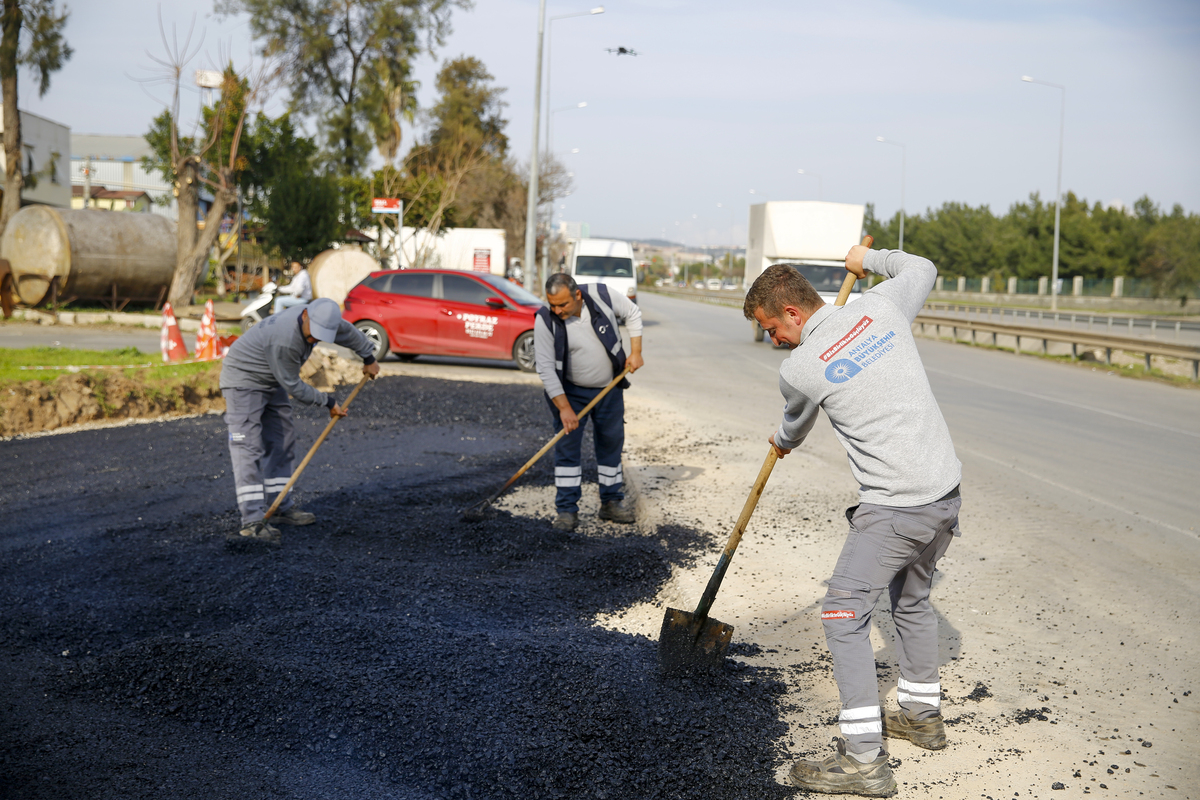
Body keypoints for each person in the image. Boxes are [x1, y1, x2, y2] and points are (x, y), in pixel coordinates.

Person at [743, 246, 962, 797]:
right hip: (944, 495)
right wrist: (873, 256)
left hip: (894, 509)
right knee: (910, 600)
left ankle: (864, 761)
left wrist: (783, 442)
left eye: (772, 328)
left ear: (793, 313)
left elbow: (796, 421)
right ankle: (920, 714)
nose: (774, 341)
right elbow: (924, 269)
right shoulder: (882, 307)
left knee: (842, 613)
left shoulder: (799, 368)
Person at [219, 298, 380, 545]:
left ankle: (280, 506)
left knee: (282, 440)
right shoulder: (284, 338)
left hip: (271, 379)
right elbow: (293, 385)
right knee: (247, 446)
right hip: (244, 381)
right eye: (313, 334)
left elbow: (347, 332)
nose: (314, 340)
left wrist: (368, 357)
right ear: (305, 315)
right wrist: (328, 402)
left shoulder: (323, 318)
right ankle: (251, 522)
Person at [533, 273, 644, 531]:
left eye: (563, 305)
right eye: (553, 305)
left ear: (578, 295)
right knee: (567, 451)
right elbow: (546, 369)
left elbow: (633, 313)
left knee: (610, 446)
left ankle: (611, 502)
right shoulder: (545, 320)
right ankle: (567, 510)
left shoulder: (602, 295)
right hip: (570, 393)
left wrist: (636, 352)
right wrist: (564, 409)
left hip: (610, 389)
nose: (558, 310)